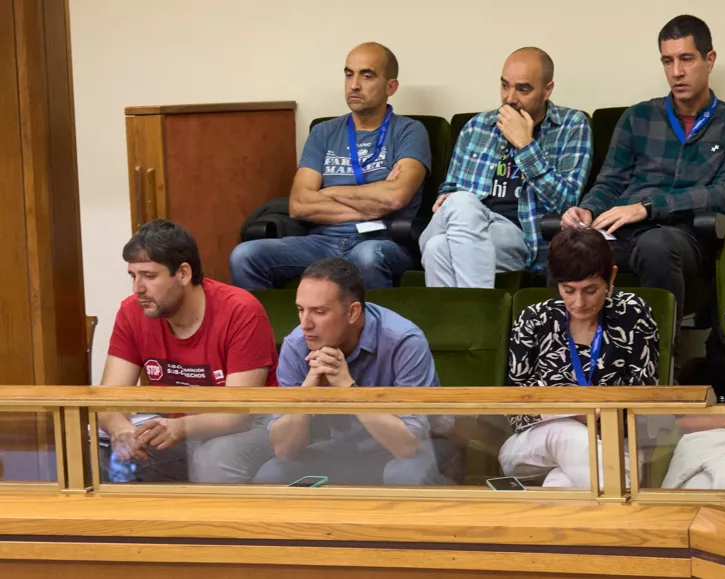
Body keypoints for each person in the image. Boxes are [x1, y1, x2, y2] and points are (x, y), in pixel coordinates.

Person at [562, 15, 725, 326]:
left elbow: (723, 194)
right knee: (567, 248)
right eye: (667, 61)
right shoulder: (637, 117)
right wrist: (587, 210)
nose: (676, 72)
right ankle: (562, 364)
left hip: (685, 235)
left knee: (656, 245)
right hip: (622, 233)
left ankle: (662, 366)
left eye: (686, 59)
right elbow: (610, 183)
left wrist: (647, 208)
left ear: (709, 60)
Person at [230, 42, 431, 290]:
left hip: (382, 241)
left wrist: (330, 192)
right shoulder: (324, 132)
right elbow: (299, 204)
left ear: (391, 86)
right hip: (322, 241)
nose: (354, 84)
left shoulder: (410, 131)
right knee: (245, 256)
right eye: (349, 74)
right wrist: (374, 202)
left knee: (367, 256)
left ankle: (375, 330)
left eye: (367, 75)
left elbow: (395, 197)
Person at [98, 220, 279, 483]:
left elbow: (237, 414)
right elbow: (108, 401)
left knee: (214, 457)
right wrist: (120, 429)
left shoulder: (241, 310)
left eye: (149, 276)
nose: (137, 288)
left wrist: (181, 427)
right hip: (175, 424)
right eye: (133, 276)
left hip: (252, 425)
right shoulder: (131, 312)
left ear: (183, 273)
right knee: (104, 454)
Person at [252, 258, 460, 485]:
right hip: (350, 449)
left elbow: (406, 445)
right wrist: (308, 390)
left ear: (352, 312)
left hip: (426, 445)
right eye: (301, 310)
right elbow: (284, 449)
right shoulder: (297, 344)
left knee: (404, 475)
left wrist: (349, 389)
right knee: (272, 475)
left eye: (319, 312)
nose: (305, 324)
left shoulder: (404, 340)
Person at [499, 227, 660, 488]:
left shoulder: (634, 314)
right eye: (568, 290)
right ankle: (619, 493)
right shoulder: (534, 319)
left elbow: (646, 398)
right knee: (565, 433)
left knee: (562, 484)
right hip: (533, 446)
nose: (579, 302)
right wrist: (564, 412)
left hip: (615, 442)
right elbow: (513, 406)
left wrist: (601, 413)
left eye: (590, 289)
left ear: (612, 277)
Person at [419, 47, 592, 288]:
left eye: (523, 89)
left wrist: (525, 145)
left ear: (547, 90)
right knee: (462, 203)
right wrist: (444, 198)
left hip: (515, 237)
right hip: (459, 223)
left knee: (437, 248)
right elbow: (450, 186)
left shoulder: (572, 125)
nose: (510, 98)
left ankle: (463, 316)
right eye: (504, 85)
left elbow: (567, 202)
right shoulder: (477, 127)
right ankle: (479, 305)